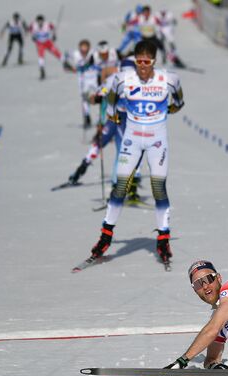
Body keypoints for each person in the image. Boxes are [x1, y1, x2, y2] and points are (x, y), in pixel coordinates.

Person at [89, 40, 184, 265]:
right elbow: (111, 102)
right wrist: (112, 116)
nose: (142, 67)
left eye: (146, 62)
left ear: (154, 61)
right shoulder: (123, 79)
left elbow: (179, 102)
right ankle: (105, 236)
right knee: (120, 186)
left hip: (157, 142)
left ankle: (163, 237)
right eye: (138, 62)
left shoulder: (169, 79)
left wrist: (169, 109)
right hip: (132, 139)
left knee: (158, 187)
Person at [63, 39, 99, 128]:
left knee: (100, 96)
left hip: (94, 78)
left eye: (85, 47)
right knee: (84, 98)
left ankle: (100, 118)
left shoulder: (93, 53)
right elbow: (65, 55)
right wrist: (68, 65)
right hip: (82, 79)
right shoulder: (75, 54)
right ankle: (87, 116)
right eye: (82, 47)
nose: (83, 49)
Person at [29, 14, 63, 80]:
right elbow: (30, 30)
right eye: (38, 21)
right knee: (41, 56)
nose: (40, 23)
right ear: (36, 21)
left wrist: (54, 35)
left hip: (48, 42)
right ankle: (42, 70)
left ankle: (65, 63)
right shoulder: (33, 25)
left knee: (56, 52)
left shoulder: (47, 24)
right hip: (40, 43)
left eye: (41, 21)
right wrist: (33, 37)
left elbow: (53, 28)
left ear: (43, 21)